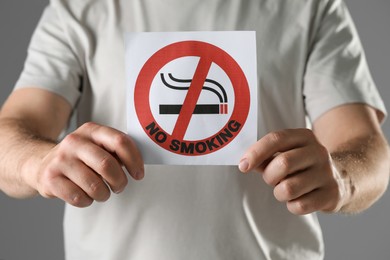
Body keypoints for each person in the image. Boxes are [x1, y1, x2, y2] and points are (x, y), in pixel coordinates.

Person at [0, 0, 389, 259]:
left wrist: (342, 178)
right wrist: (40, 164)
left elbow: (366, 145)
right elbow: (12, 131)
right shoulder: (78, 7)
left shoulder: (310, 6)